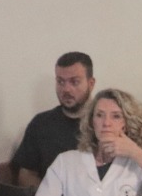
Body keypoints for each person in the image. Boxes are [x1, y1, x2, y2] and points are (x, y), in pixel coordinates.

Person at [10, 51, 96, 187]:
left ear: (91, 84)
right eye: (60, 82)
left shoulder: (105, 123)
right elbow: (26, 173)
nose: (66, 89)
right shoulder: (41, 124)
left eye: (74, 82)